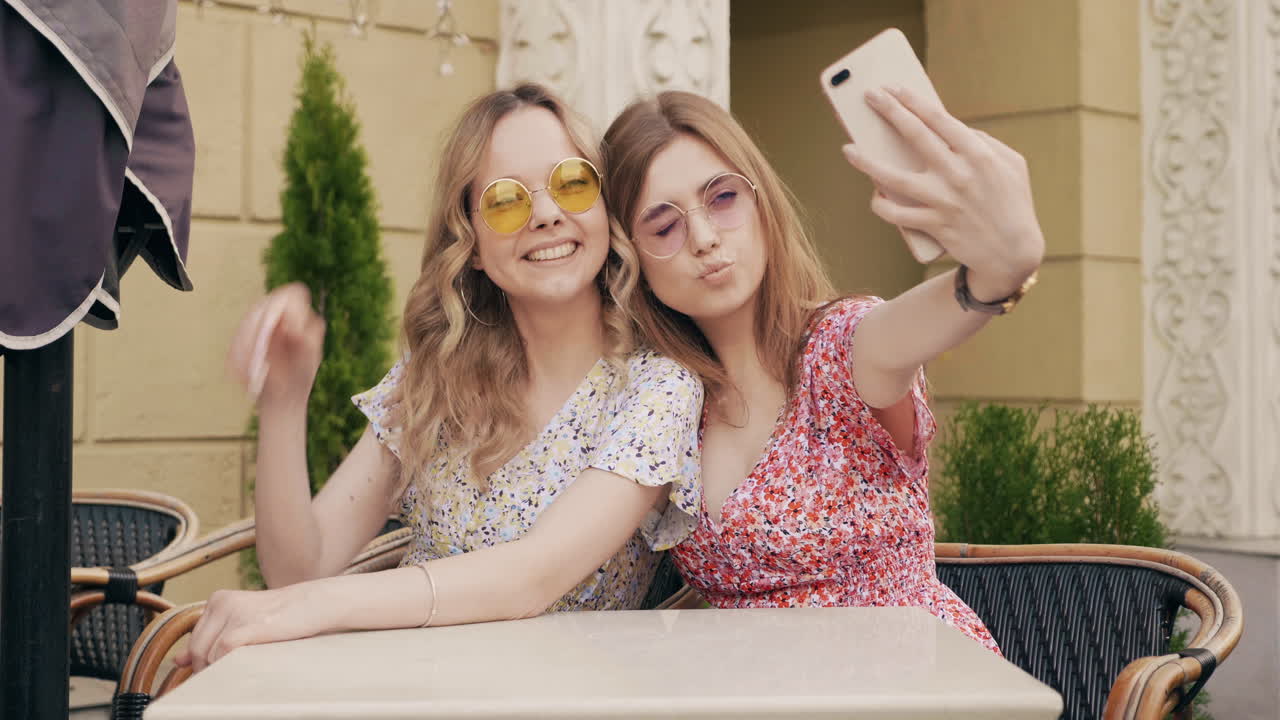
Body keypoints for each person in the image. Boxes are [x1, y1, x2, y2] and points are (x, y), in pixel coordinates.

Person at [176, 83, 702, 672]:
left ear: (605, 208)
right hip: (409, 688)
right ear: (471, 243)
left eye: (572, 183)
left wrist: (311, 606)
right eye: (507, 200)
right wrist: (284, 396)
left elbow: (531, 578)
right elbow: (300, 566)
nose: (548, 214)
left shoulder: (657, 388)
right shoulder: (436, 376)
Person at [601, 85, 1046, 654]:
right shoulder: (666, 402)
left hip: (912, 688)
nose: (706, 239)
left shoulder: (839, 348)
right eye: (664, 228)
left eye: (723, 199)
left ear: (761, 203)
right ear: (630, 257)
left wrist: (999, 271)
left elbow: (912, 325)